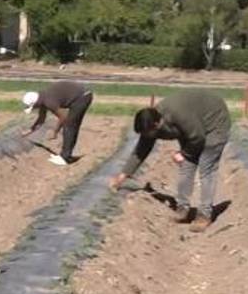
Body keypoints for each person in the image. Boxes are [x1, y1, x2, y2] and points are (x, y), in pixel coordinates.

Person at [109, 89, 231, 232]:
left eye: (148, 133)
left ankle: (204, 215)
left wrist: (184, 153)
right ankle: (182, 209)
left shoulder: (178, 115)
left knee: (207, 168)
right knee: (187, 166)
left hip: (214, 122)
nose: (147, 137)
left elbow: (198, 137)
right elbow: (142, 148)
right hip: (193, 126)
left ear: (156, 125)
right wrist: (124, 174)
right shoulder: (151, 121)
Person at [21, 80, 94, 166]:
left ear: (36, 103)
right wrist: (29, 131)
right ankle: (67, 155)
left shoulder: (49, 102)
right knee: (71, 125)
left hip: (82, 97)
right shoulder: (43, 97)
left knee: (69, 126)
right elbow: (41, 119)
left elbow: (63, 116)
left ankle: (64, 157)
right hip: (81, 95)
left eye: (33, 107)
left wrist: (55, 132)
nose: (34, 108)